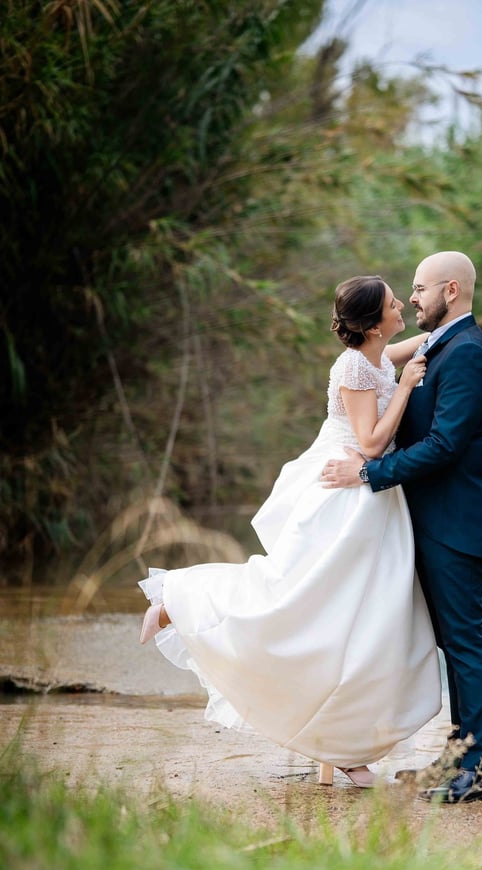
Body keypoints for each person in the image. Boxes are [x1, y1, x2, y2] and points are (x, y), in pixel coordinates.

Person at [138, 275, 444, 788]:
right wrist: (408, 386)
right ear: (374, 325)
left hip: (375, 502)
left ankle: (342, 747)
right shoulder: (354, 366)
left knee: (362, 620)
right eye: (395, 304)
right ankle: (180, 599)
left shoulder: (375, 356)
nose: (403, 308)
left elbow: (421, 345)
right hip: (346, 494)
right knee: (299, 603)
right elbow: (370, 444)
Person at [320, 251, 482, 804]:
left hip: (457, 520)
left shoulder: (465, 351)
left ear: (450, 290)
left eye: (418, 288)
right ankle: (459, 757)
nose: (411, 298)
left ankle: (479, 771)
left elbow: (444, 445)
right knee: (453, 643)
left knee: (467, 643)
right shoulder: (449, 343)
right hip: (433, 517)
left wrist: (368, 473)